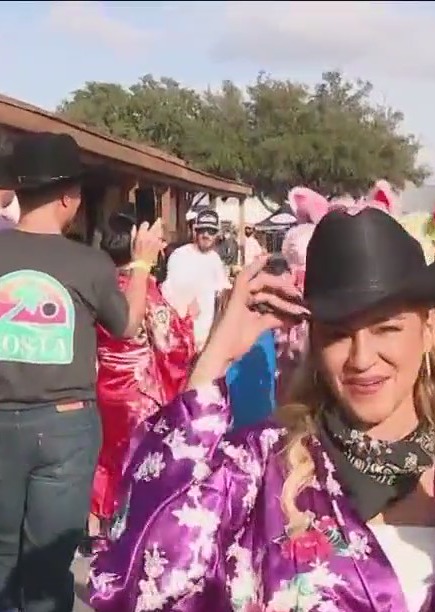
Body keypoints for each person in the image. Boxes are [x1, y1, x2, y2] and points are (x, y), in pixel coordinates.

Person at [90, 208, 435, 611]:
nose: (362, 358)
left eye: (386, 328)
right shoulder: (261, 465)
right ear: (315, 342)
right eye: (338, 334)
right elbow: (140, 577)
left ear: (429, 328)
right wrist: (216, 358)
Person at [0, 133, 163, 612]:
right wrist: (142, 262)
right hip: (65, 424)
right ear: (68, 198)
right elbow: (128, 327)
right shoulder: (89, 263)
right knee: (49, 565)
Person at [89, 211, 198, 549]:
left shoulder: (99, 288)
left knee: (107, 458)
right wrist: (188, 324)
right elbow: (170, 344)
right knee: (139, 459)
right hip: (140, 390)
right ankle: (131, 530)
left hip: (106, 385)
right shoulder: (145, 290)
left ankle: (98, 528)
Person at [165, 208, 231, 349]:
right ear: (195, 231)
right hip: (183, 337)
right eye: (202, 230)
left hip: (207, 338)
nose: (206, 235)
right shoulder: (180, 255)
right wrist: (185, 303)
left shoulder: (215, 259)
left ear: (217, 234)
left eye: (211, 231)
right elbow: (168, 292)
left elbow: (223, 292)